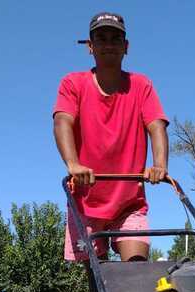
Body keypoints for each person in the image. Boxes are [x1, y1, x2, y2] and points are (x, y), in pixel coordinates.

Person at [53, 12, 169, 263]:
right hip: (85, 200)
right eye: (101, 38)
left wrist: (160, 165)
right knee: (99, 280)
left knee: (137, 272)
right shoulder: (73, 83)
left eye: (116, 39)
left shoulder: (141, 86)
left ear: (125, 47)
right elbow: (62, 120)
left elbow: (156, 125)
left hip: (129, 202)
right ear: (90, 47)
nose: (109, 44)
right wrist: (73, 164)